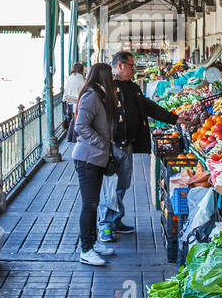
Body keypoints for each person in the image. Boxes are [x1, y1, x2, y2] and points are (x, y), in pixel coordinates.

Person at [98, 50, 179, 241]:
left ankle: (116, 220)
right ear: (120, 66)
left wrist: (174, 118)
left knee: (123, 184)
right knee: (111, 186)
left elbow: (148, 107)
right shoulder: (106, 88)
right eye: (131, 66)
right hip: (112, 145)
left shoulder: (132, 88)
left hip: (127, 145)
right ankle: (106, 225)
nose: (134, 69)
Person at [71, 63, 120, 266]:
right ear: (103, 77)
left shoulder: (98, 94)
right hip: (87, 158)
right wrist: (102, 143)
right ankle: (86, 249)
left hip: (96, 158)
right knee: (89, 205)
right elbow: (80, 125)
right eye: (111, 75)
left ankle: (93, 244)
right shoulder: (91, 96)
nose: (114, 78)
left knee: (93, 203)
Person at [62, 62, 85, 128]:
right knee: (76, 121)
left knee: (72, 120)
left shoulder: (70, 77)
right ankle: (72, 135)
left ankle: (70, 135)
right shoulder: (81, 79)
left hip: (68, 103)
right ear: (81, 70)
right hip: (77, 103)